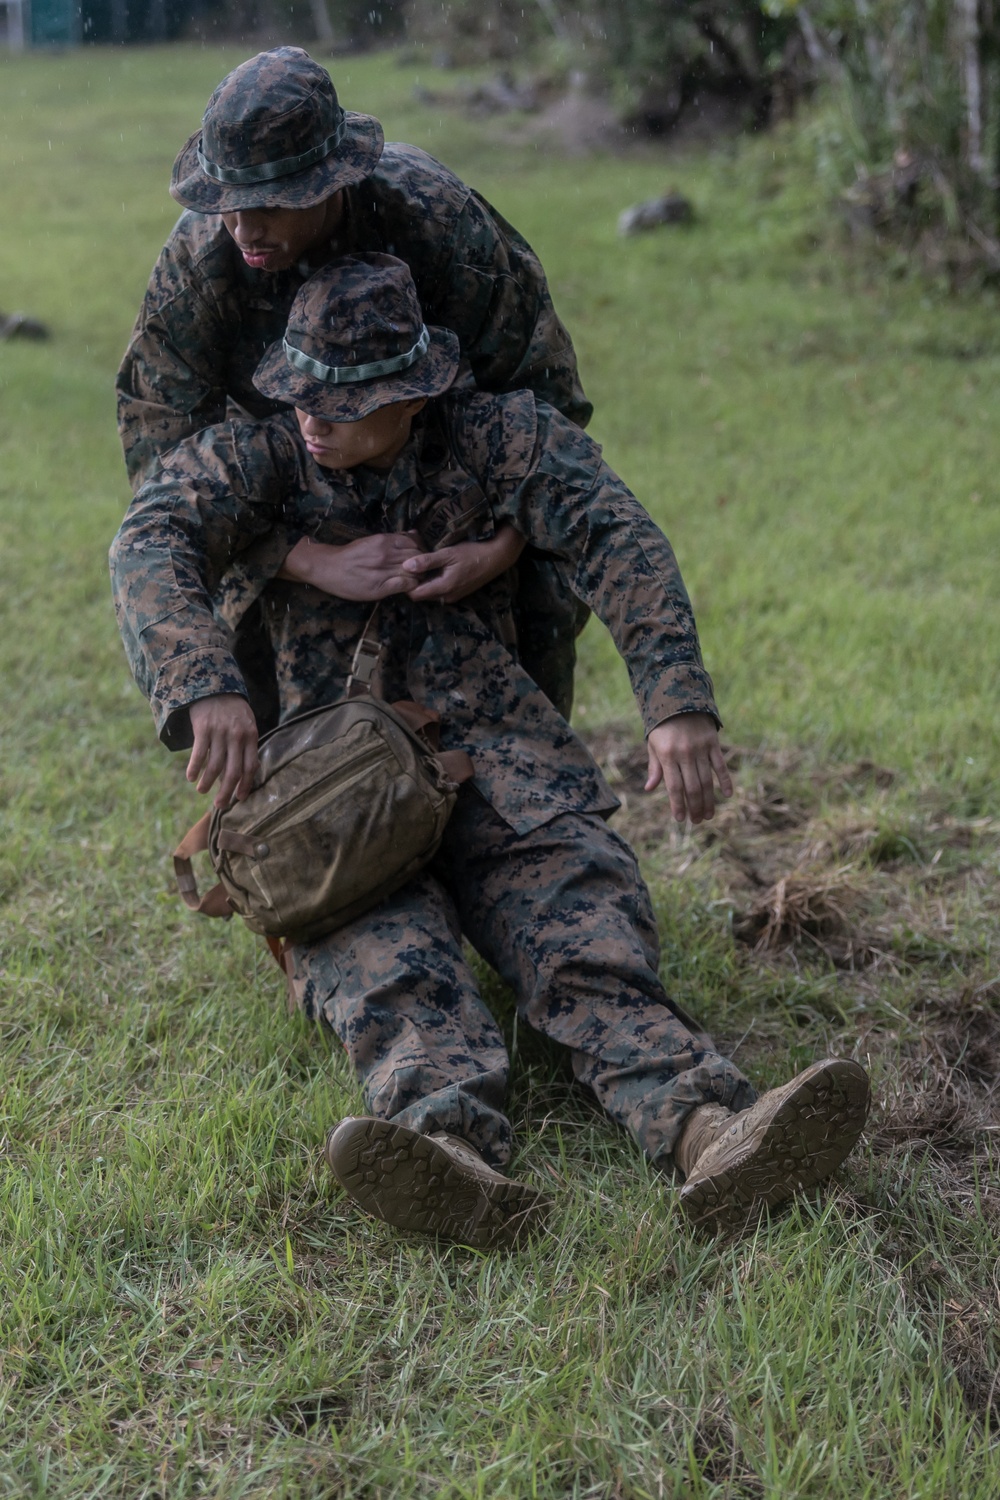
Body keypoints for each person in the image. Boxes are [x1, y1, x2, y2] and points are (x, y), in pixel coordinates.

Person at [110, 254, 870, 1248]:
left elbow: (614, 532)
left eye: (342, 399)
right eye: (299, 390)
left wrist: (677, 705)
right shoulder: (259, 457)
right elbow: (150, 534)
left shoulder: (497, 436)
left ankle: (713, 1133)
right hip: (334, 807)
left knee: (587, 942)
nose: (313, 415)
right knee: (390, 975)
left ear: (413, 393)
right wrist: (203, 683)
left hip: (507, 769)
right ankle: (449, 1156)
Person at [116, 45, 590, 726]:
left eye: (271, 203)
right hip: (286, 492)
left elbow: (545, 394)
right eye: (228, 202)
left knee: (514, 712)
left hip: (464, 488)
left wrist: (501, 545)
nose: (244, 227)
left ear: (331, 180)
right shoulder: (201, 266)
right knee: (293, 742)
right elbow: (162, 458)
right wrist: (305, 560)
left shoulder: (436, 220)